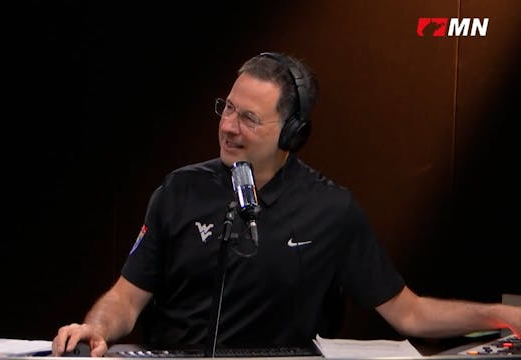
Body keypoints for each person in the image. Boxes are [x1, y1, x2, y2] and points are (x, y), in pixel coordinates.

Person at [52, 51, 521, 357]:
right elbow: (126, 297)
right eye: (229, 108)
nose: (229, 127)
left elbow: (410, 314)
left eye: (250, 118)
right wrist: (98, 328)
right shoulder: (180, 190)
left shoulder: (331, 210)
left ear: (292, 134)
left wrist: (497, 317)